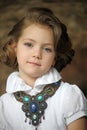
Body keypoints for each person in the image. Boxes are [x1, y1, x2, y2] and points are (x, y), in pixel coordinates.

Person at [0, 7, 87, 130]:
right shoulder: (3, 105)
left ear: (54, 59)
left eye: (47, 49)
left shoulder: (69, 95)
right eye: (29, 44)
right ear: (14, 47)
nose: (37, 54)